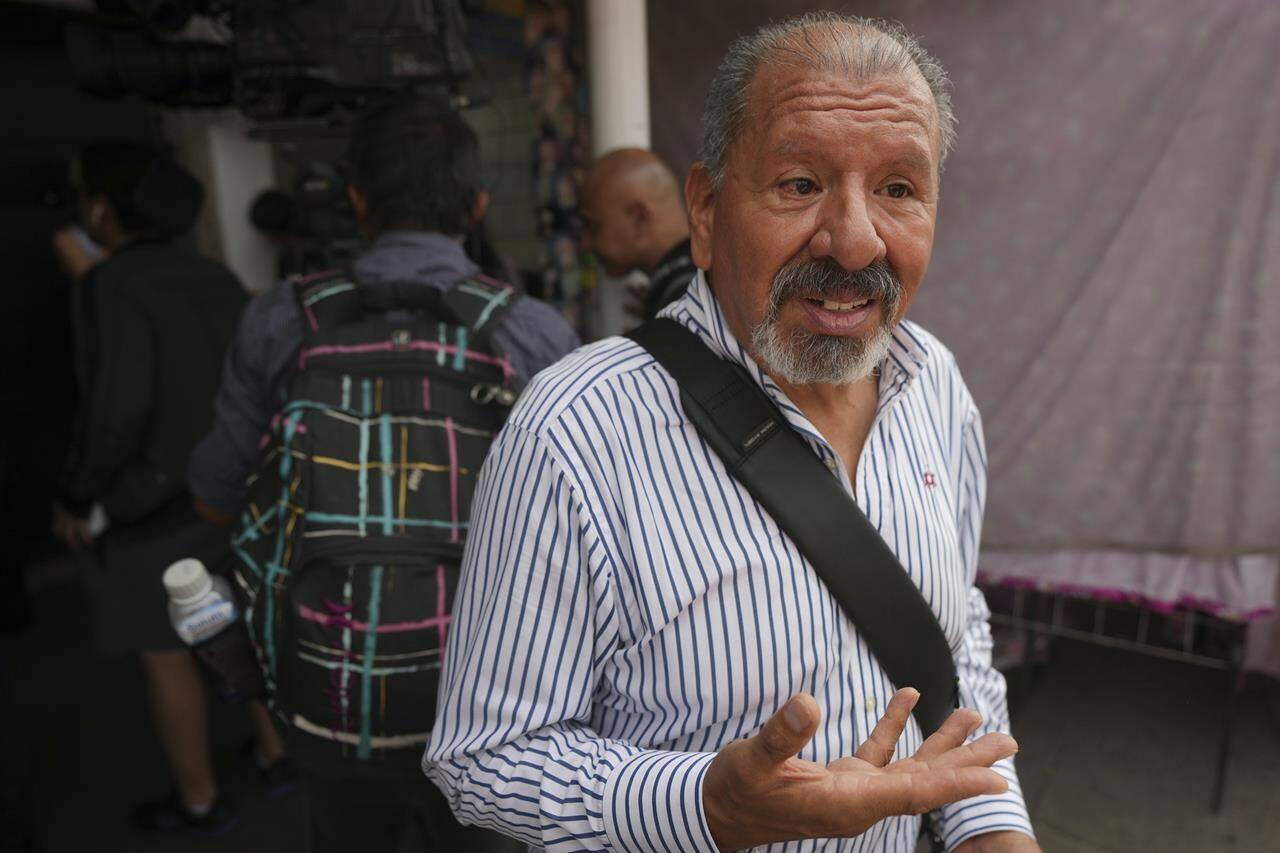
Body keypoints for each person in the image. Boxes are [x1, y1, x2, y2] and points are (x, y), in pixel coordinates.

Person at [424, 14, 1041, 852]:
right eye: (798, 184)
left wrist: (990, 825)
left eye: (899, 188)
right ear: (707, 211)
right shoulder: (573, 432)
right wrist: (706, 804)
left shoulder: (934, 382)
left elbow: (952, 633)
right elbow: (483, 758)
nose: (856, 240)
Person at [189, 95, 580, 853]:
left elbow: (215, 499)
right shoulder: (531, 333)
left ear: (359, 202)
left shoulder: (281, 321)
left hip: (327, 685)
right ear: (476, 206)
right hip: (492, 699)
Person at [53, 140, 286, 835]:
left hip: (156, 504)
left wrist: (77, 494)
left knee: (166, 649)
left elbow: (116, 408)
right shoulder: (214, 275)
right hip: (231, 490)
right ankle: (277, 754)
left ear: (102, 211)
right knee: (226, 617)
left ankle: (200, 800)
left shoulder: (110, 285)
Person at [579, 147, 695, 320]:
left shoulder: (686, 297)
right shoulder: (700, 282)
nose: (585, 243)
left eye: (594, 228)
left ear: (639, 219)